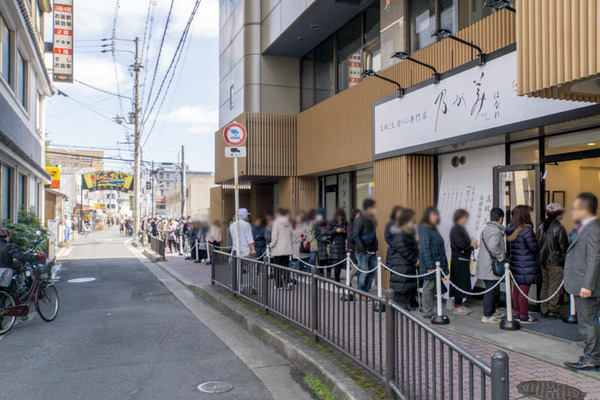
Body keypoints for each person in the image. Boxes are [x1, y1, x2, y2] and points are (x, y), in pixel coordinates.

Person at [564, 193, 600, 371]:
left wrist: (587, 285)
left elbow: (594, 258)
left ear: (585, 210)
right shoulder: (587, 227)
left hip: (585, 284)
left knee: (588, 321)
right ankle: (592, 354)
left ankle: (592, 358)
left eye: (575, 207)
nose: (572, 211)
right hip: (581, 282)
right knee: (587, 320)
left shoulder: (593, 228)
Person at [506, 205, 540, 324]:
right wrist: (538, 243)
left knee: (517, 290)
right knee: (524, 291)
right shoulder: (526, 229)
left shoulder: (510, 229)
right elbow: (533, 247)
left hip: (516, 264)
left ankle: (516, 313)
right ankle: (524, 316)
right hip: (526, 265)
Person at [537, 203, 569, 319]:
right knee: (554, 286)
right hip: (555, 261)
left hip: (543, 260)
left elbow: (537, 242)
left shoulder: (541, 226)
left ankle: (544, 308)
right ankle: (552, 309)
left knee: (545, 284)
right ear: (558, 214)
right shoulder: (559, 228)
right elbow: (564, 248)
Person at [418, 207, 448, 319]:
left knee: (432, 288)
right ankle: (427, 312)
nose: (436, 217)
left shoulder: (432, 228)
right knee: (428, 288)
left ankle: (430, 310)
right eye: (434, 215)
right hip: (430, 265)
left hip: (436, 264)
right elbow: (425, 248)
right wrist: (430, 266)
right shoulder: (424, 228)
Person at [449, 209, 477, 315]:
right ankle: (457, 306)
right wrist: (472, 246)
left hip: (463, 259)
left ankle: (459, 304)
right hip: (459, 260)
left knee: (462, 283)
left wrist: (471, 244)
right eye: (464, 217)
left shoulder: (461, 229)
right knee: (459, 283)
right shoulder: (455, 229)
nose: (466, 219)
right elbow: (461, 244)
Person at [389, 208, 418, 310]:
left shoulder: (409, 231)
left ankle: (408, 303)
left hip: (407, 262)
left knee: (408, 284)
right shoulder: (400, 231)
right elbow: (403, 249)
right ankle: (403, 304)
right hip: (401, 262)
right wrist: (414, 260)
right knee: (403, 284)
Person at [353, 199, 379, 295]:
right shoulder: (359, 220)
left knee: (373, 272)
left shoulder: (371, 219)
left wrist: (376, 245)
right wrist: (363, 249)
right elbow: (356, 235)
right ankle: (361, 292)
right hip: (363, 252)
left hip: (372, 250)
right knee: (363, 273)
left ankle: (366, 290)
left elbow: (373, 233)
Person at [270, 208, 294, 289]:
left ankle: (278, 285)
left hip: (278, 249)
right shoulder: (289, 223)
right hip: (287, 248)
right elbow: (292, 235)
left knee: (277, 268)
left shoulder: (276, 223)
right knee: (286, 266)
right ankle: (288, 283)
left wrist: (271, 245)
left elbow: (274, 237)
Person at [327, 208, 348, 282]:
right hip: (335, 246)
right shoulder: (331, 222)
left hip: (342, 246)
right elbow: (327, 232)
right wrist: (335, 231)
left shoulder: (345, 223)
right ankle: (337, 280)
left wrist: (345, 232)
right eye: (339, 216)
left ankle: (339, 280)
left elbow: (348, 234)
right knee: (336, 264)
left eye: (341, 216)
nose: (340, 217)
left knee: (340, 265)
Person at [314, 209, 332, 279]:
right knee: (321, 261)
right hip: (321, 245)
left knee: (328, 262)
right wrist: (323, 238)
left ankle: (329, 276)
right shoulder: (316, 224)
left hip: (328, 245)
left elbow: (330, 232)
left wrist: (327, 238)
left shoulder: (328, 223)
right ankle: (321, 277)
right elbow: (316, 235)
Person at [346, 208, 361, 286]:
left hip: (360, 249)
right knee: (355, 268)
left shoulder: (361, 224)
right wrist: (358, 238)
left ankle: (360, 286)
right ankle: (348, 282)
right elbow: (350, 237)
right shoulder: (350, 225)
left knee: (361, 269)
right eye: (358, 215)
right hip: (352, 248)